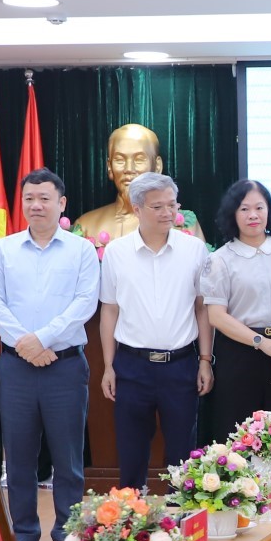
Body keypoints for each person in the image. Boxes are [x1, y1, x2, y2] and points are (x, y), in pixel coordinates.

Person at [0, 169, 99, 541]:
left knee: (68, 458)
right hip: (16, 367)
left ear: (61, 203)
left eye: (44, 198)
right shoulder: (3, 249)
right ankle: (24, 535)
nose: (36, 205)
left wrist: (42, 339)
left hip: (64, 366)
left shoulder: (81, 250)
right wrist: (26, 344)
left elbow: (85, 302)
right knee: (18, 458)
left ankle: (68, 534)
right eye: (29, 198)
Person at [100, 173, 213, 488]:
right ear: (137, 209)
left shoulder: (194, 249)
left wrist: (205, 360)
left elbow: (202, 308)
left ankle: (182, 515)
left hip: (180, 364)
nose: (167, 212)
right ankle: (131, 512)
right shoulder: (117, 252)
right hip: (131, 366)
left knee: (182, 453)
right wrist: (108, 366)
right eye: (158, 206)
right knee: (131, 452)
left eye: (172, 205)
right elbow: (109, 310)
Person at [201, 180, 271, 442]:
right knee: (237, 436)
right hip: (238, 353)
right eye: (244, 209)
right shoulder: (220, 259)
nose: (253, 215)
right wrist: (262, 343)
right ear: (233, 214)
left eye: (260, 207)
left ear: (269, 211)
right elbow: (216, 316)